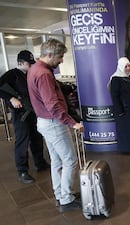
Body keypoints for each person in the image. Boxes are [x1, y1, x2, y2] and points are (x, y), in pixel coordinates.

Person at [27, 39, 83, 212]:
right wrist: (72, 123)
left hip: (45, 122)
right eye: (60, 56)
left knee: (57, 161)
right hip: (53, 123)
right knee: (70, 160)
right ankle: (66, 198)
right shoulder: (43, 74)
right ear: (49, 54)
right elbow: (52, 105)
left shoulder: (35, 69)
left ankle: (61, 194)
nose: (61, 60)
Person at [0, 50, 50, 184]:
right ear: (20, 63)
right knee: (22, 141)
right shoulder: (12, 74)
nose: (31, 66)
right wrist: (11, 98)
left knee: (36, 138)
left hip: (32, 111)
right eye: (29, 64)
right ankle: (22, 171)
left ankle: (40, 163)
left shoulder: (29, 74)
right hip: (20, 114)